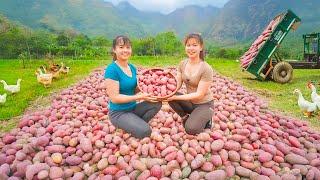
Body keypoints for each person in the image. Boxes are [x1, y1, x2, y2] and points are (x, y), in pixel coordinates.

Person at [104, 35, 161, 139]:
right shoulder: (112, 69)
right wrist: (140, 97)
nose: (125, 50)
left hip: (133, 108)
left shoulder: (132, 68)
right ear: (114, 50)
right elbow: (114, 98)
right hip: (118, 113)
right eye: (121, 47)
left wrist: (150, 84)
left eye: (128, 47)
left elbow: (133, 90)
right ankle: (131, 125)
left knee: (156, 103)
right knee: (145, 131)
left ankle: (134, 123)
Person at [166, 33, 214, 135]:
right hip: (191, 103)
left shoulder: (206, 68)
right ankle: (185, 116)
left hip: (204, 104)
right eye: (188, 45)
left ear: (201, 47)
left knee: (191, 129)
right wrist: (166, 78)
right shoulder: (182, 64)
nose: (191, 48)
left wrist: (175, 97)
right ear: (185, 47)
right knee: (169, 96)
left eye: (194, 45)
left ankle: (207, 118)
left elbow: (199, 94)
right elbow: (177, 84)